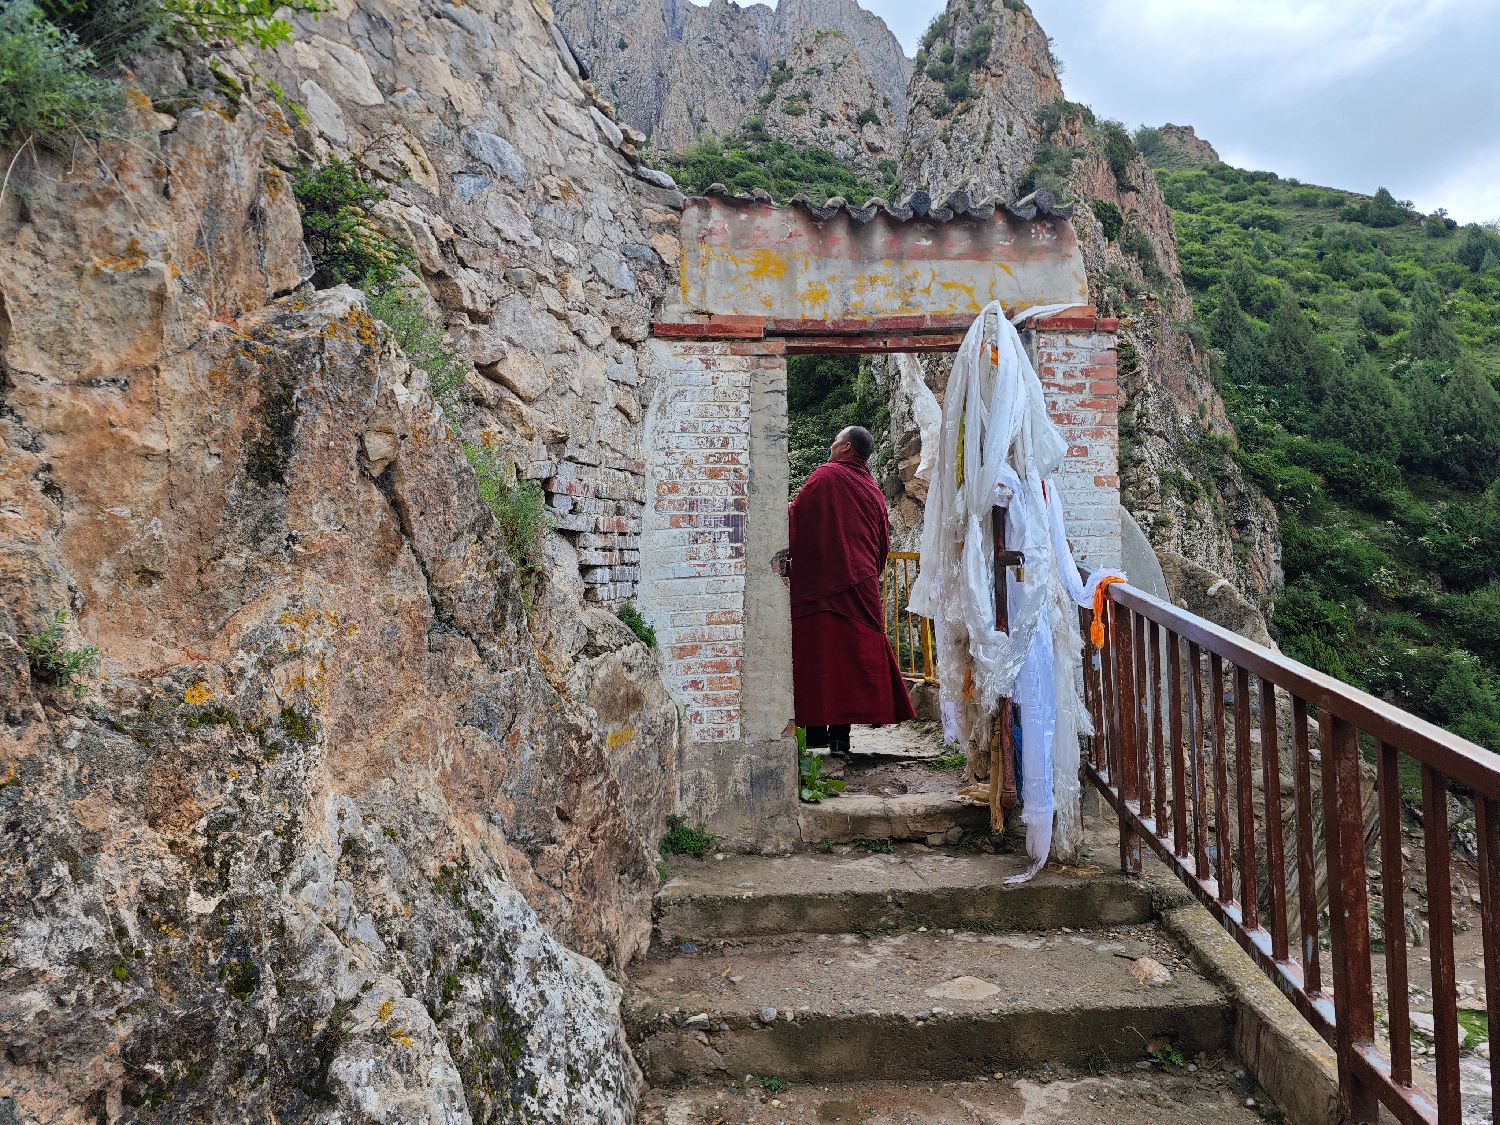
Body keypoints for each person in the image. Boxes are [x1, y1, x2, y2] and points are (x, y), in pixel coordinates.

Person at [785, 425, 915, 758]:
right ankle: (841, 740)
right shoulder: (872, 489)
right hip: (861, 582)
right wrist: (867, 570)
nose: (830, 446)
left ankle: (815, 733)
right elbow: (882, 541)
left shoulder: (826, 476)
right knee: (850, 658)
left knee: (817, 656)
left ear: (845, 448)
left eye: (834, 441)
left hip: (821, 584)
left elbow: (797, 519)